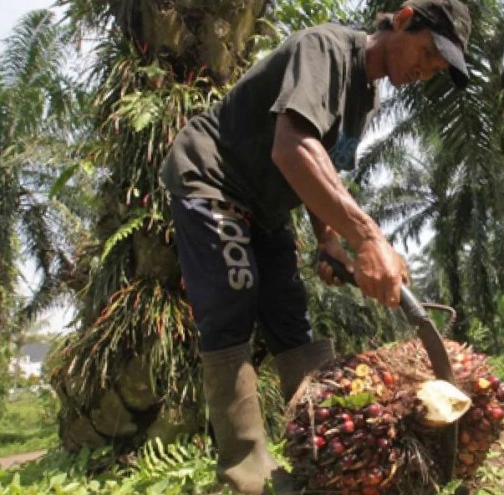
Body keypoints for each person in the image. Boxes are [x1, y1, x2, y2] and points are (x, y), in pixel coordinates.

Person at [159, 1, 472, 493]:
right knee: (231, 302)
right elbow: (292, 148)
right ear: (406, 18)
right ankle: (246, 475)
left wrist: (329, 241)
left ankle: (327, 450)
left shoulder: (364, 100)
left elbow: (321, 169)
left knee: (293, 322)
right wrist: (368, 237)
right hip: (213, 180)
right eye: (429, 52)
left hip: (267, 206)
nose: (425, 70)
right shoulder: (324, 48)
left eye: (436, 68)